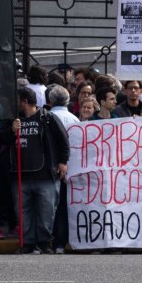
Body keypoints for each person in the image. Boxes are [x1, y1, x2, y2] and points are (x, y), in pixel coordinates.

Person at [0, 87, 70, 254]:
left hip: (45, 174)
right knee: (23, 212)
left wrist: (63, 162)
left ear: (24, 101)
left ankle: (45, 242)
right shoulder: (12, 119)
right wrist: (11, 130)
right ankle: (28, 243)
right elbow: (1, 138)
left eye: (16, 100)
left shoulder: (47, 118)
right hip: (20, 175)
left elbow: (63, 140)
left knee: (47, 212)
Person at [48, 85, 79, 254]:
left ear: (50, 101)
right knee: (63, 208)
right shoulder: (74, 119)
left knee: (50, 207)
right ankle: (60, 242)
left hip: (48, 169)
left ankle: (52, 241)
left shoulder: (47, 117)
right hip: (70, 169)